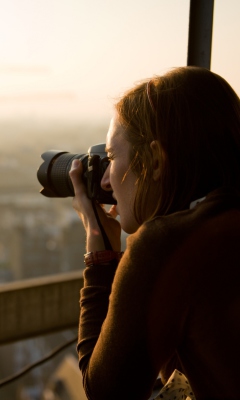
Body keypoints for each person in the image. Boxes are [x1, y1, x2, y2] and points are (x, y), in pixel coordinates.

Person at [69, 66, 240, 400]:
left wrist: (100, 254)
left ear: (157, 162)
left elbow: (107, 393)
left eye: (112, 157)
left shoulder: (168, 244)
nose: (105, 181)